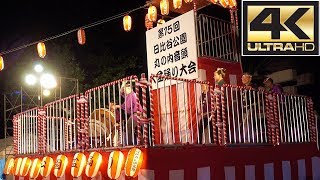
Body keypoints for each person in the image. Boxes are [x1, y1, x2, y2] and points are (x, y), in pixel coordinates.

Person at [110, 80, 143, 146]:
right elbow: (121, 93)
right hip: (136, 115)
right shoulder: (129, 95)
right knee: (136, 130)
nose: (124, 91)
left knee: (128, 128)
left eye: (125, 89)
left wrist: (117, 106)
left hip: (136, 115)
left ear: (129, 88)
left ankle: (130, 145)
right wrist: (123, 84)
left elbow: (126, 106)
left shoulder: (131, 95)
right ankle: (142, 143)